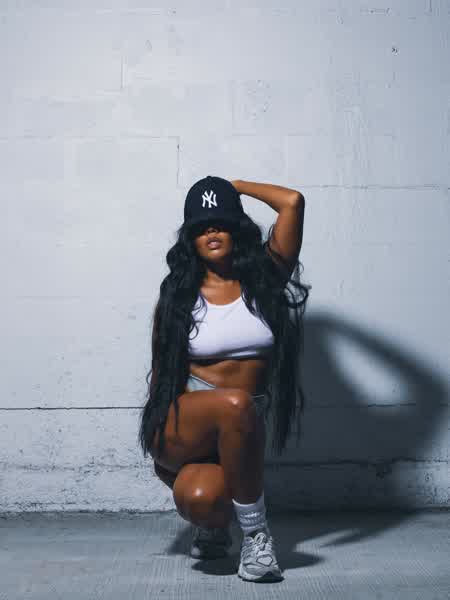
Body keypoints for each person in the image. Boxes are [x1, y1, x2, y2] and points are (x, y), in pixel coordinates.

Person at [138, 175, 310, 583]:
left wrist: (235, 187)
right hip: (189, 415)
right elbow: (161, 381)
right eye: (201, 227)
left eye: (221, 223)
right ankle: (256, 536)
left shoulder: (264, 279)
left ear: (237, 229)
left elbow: (292, 202)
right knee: (234, 402)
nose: (212, 232)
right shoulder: (179, 296)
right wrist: (165, 456)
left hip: (243, 422)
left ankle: (214, 527)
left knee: (204, 498)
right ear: (191, 240)